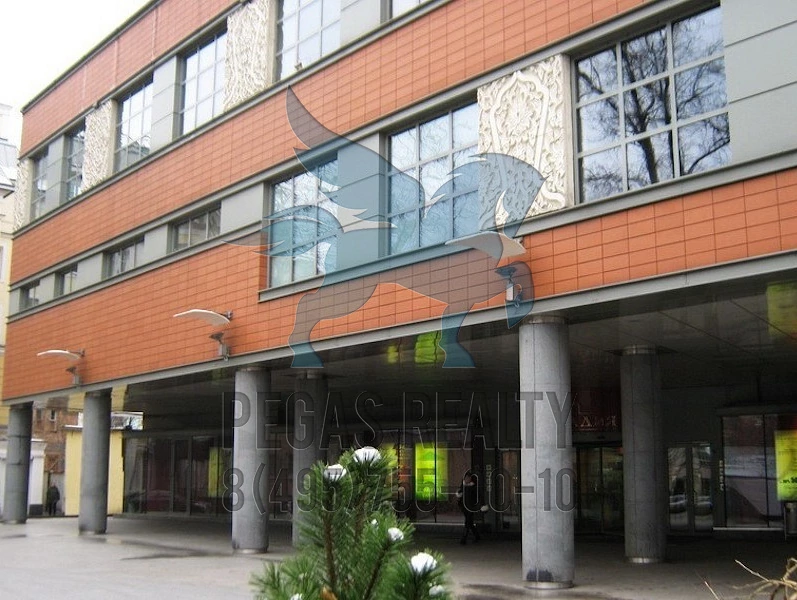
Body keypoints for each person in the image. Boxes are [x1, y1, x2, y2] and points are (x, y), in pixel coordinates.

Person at [457, 472, 480, 544]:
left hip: (471, 507)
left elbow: (477, 497)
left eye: (468, 478)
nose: (467, 479)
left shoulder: (473, 487)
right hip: (464, 507)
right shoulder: (463, 486)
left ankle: (464, 538)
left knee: (467, 522)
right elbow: (459, 495)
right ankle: (477, 536)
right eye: (466, 478)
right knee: (470, 523)